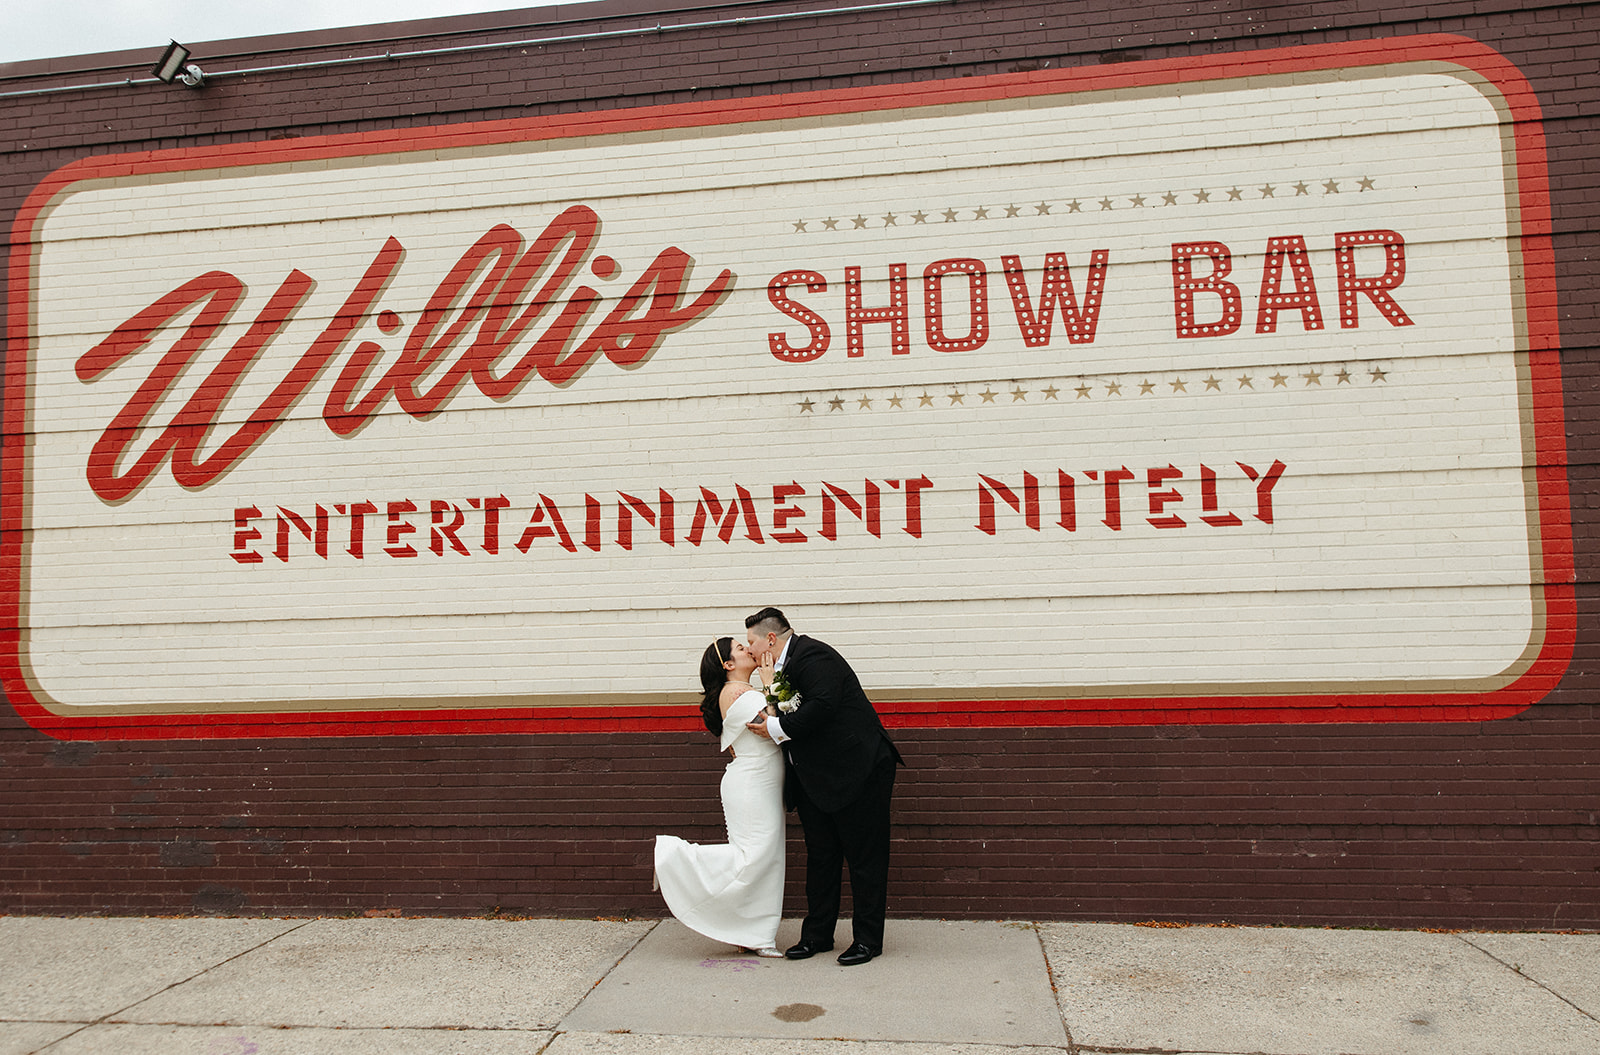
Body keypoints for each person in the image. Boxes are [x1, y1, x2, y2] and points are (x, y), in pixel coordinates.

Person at [743, 607, 903, 966]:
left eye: (751, 641)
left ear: (771, 638)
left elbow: (822, 707)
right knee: (821, 858)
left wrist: (773, 728)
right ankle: (817, 935)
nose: (749, 648)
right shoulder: (778, 669)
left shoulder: (814, 656)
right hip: (816, 778)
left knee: (865, 859)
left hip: (860, 771)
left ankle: (867, 940)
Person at [653, 637, 786, 957]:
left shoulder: (743, 691)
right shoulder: (738, 693)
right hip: (752, 784)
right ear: (728, 665)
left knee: (765, 858)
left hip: (760, 781)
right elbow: (770, 725)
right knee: (756, 857)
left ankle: (751, 933)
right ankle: (674, 858)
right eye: (740, 649)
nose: (748, 650)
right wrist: (771, 684)